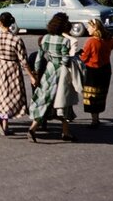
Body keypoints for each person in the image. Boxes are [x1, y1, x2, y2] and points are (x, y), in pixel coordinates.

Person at [27, 12, 78, 143]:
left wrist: (37, 74)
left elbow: (39, 58)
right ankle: (66, 132)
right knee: (63, 101)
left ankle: (33, 128)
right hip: (61, 72)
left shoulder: (45, 38)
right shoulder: (65, 41)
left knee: (44, 99)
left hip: (49, 71)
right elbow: (65, 60)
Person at [0, 12, 37, 136]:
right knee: (10, 95)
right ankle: (5, 125)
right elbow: (24, 61)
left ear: (0, 22)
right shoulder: (16, 39)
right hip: (12, 67)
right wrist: (31, 76)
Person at [80, 18, 113, 128]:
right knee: (101, 94)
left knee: (92, 96)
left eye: (89, 26)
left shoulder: (91, 41)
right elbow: (112, 47)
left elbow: (84, 57)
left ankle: (94, 120)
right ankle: (97, 118)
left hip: (93, 71)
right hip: (105, 70)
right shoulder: (109, 39)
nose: (87, 28)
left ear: (94, 28)